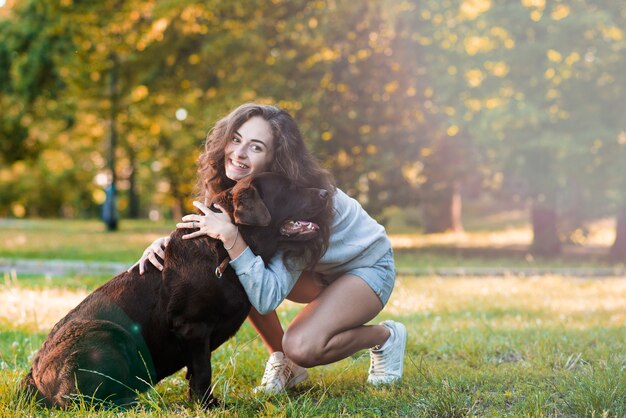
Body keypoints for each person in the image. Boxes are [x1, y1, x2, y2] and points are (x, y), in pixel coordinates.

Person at [132, 103, 406, 393]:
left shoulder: (300, 201)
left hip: (366, 269)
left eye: (256, 147)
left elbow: (264, 297)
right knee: (237, 268)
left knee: (302, 345)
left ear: (276, 157)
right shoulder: (243, 185)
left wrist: (233, 240)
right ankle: (287, 364)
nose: (238, 153)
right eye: (236, 139)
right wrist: (168, 245)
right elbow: (209, 246)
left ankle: (385, 336)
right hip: (318, 272)